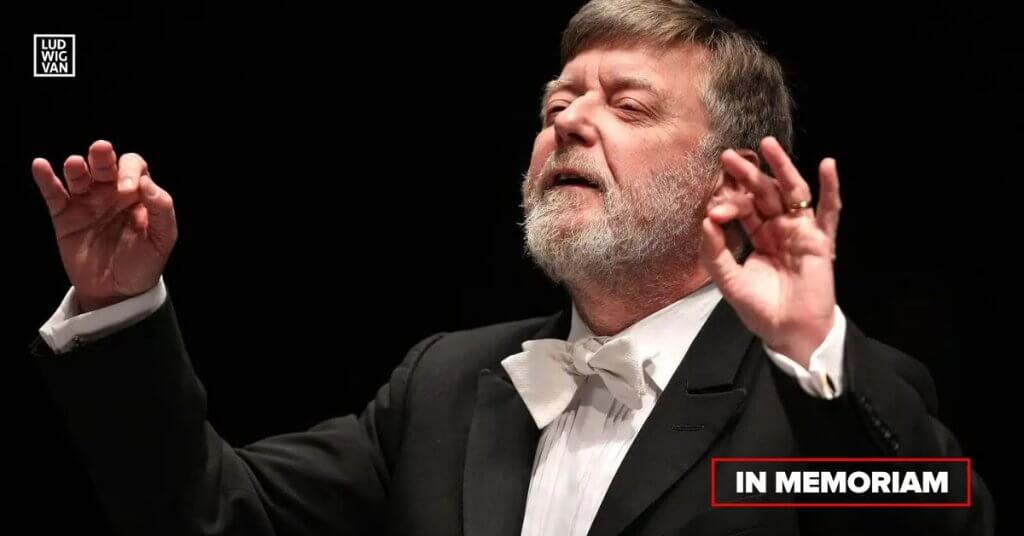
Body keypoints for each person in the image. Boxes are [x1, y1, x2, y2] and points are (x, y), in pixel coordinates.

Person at [28, 1, 994, 534]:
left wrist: (812, 351)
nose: (569, 123)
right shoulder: (447, 384)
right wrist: (119, 306)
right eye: (557, 105)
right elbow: (206, 513)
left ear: (730, 184)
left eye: (627, 106)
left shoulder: (818, 395)